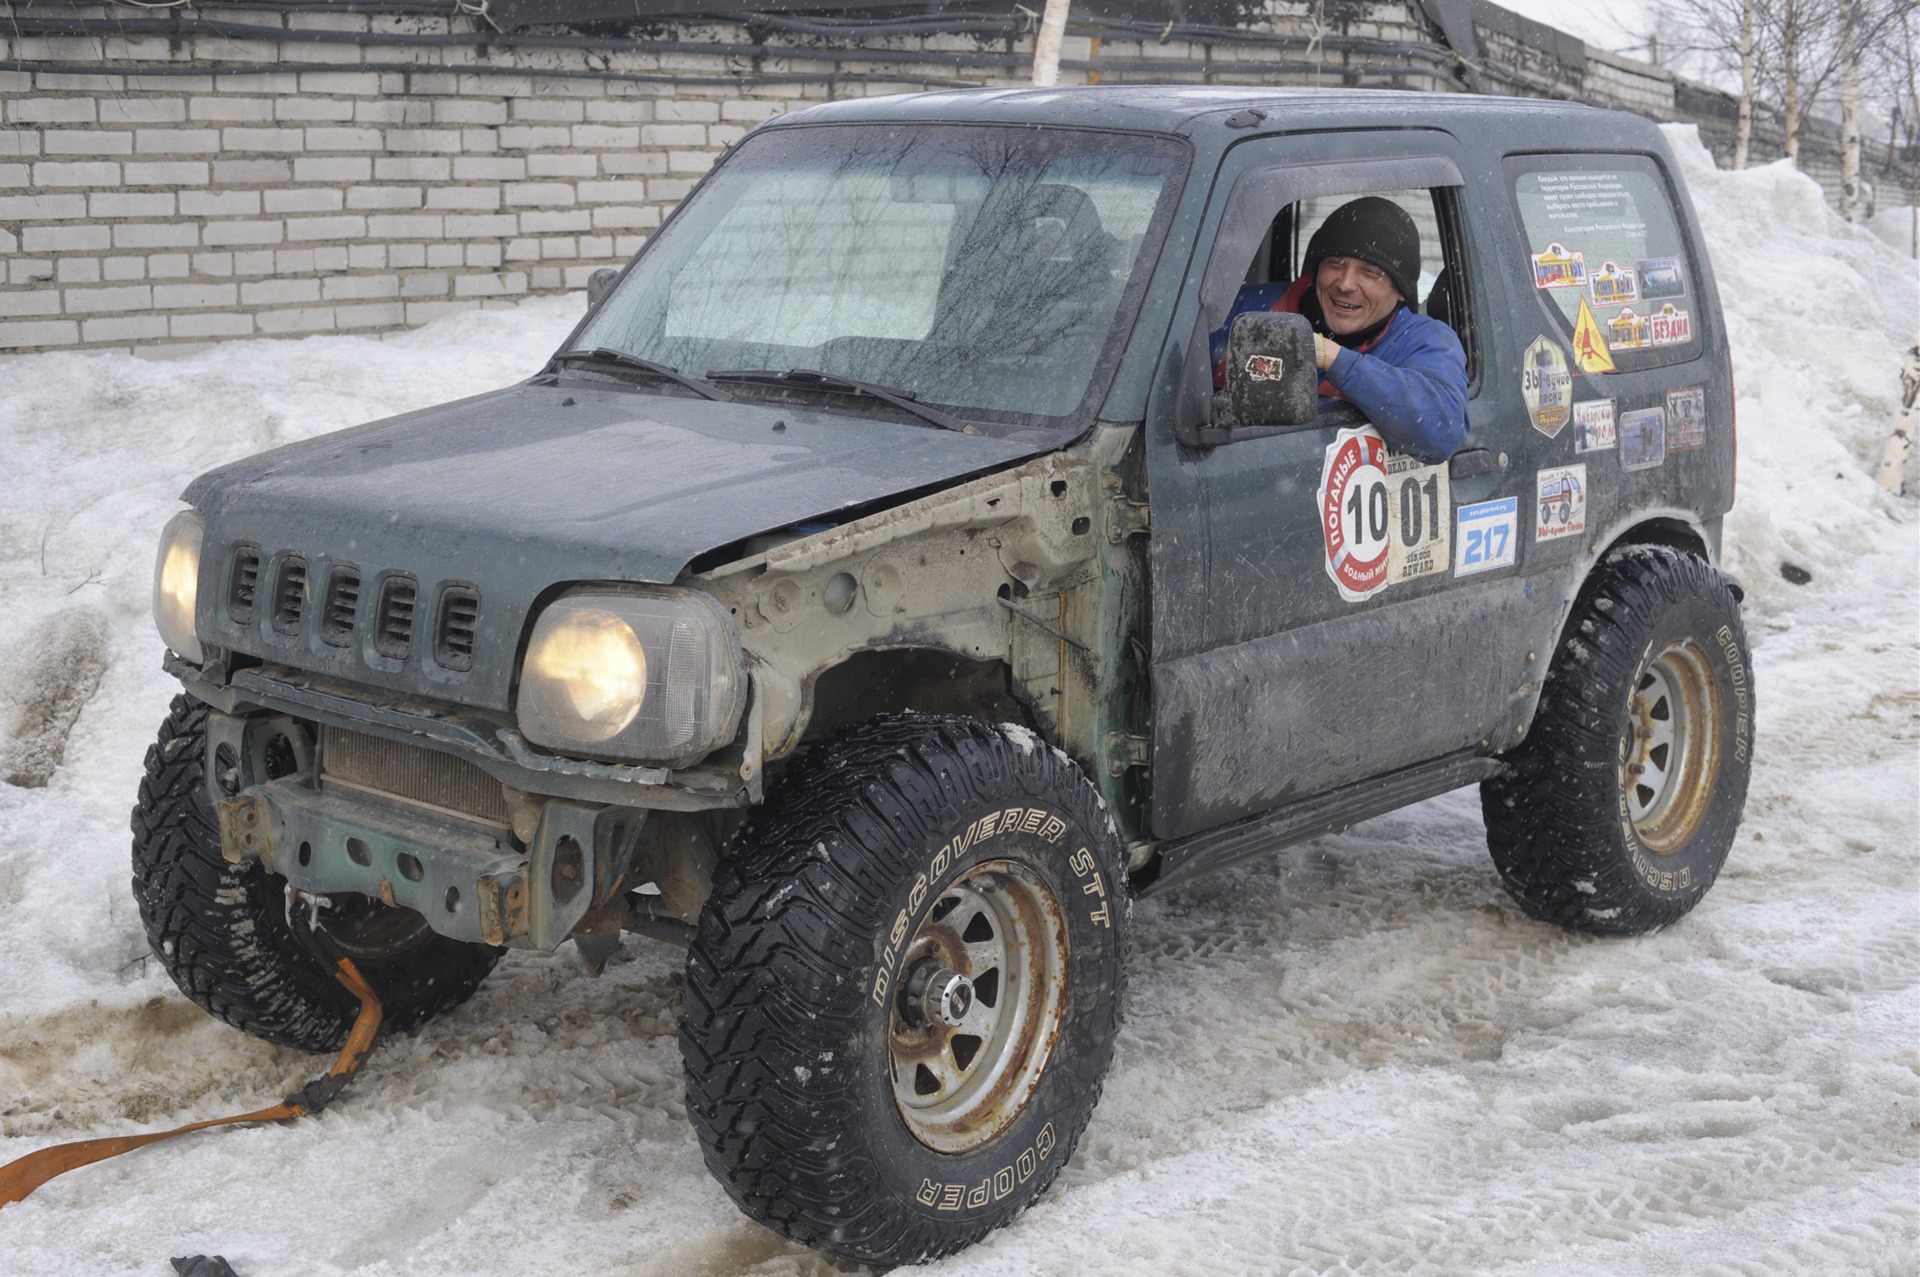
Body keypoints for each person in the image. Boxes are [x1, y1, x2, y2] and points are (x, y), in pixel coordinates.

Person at [1212, 196, 1468, 463]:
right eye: (1336, 264)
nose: (1345, 284)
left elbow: (1441, 434)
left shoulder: (1424, 341)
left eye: (1370, 273)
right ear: (1317, 270)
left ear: (1400, 290)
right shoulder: (1247, 309)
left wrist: (1333, 358)